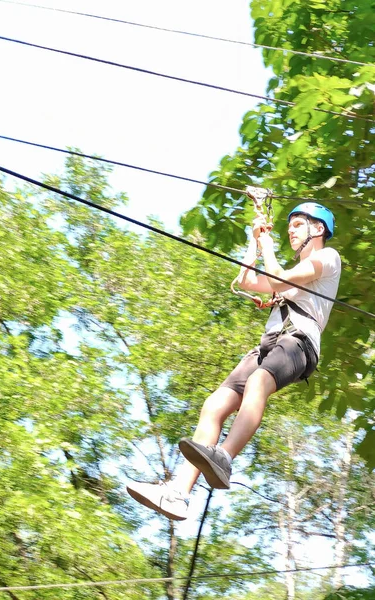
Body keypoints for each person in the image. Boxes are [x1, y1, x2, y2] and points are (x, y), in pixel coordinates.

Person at [126, 203, 341, 521]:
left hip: (300, 343)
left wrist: (267, 246)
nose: (290, 230)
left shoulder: (328, 258)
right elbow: (247, 281)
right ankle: (178, 495)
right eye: (290, 226)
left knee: (258, 383)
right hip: (269, 345)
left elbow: (278, 280)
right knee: (215, 404)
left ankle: (224, 457)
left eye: (298, 224)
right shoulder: (294, 270)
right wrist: (255, 242)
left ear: (318, 229)